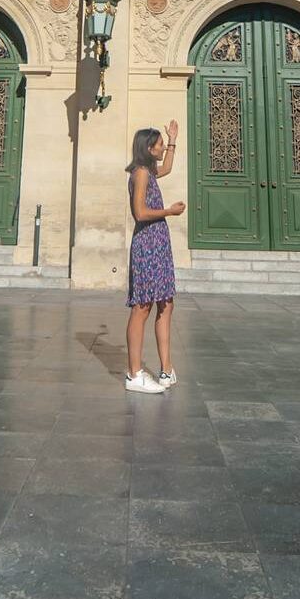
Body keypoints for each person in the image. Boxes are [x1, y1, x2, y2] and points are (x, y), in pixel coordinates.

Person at [124, 121, 184, 396]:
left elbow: (168, 167)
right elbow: (140, 213)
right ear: (149, 148)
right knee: (142, 307)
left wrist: (172, 140)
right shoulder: (140, 174)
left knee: (166, 303)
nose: (161, 148)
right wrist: (169, 212)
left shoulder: (149, 171)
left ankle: (166, 368)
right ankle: (134, 374)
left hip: (159, 242)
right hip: (147, 243)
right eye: (159, 144)